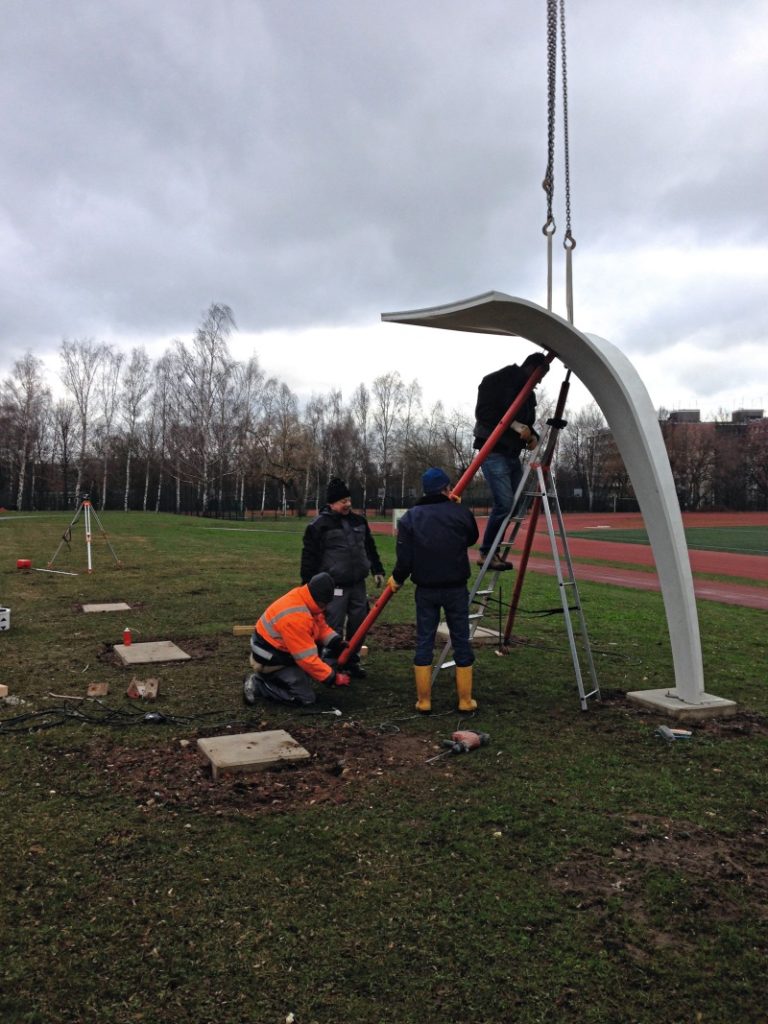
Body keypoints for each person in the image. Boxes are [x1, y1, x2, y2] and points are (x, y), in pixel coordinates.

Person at [390, 467, 480, 714]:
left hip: (426, 590)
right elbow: (472, 537)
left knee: (424, 641)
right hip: (455, 588)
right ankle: (464, 700)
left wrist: (396, 579)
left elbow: (404, 558)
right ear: (446, 489)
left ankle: (424, 701)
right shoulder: (460, 512)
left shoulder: (410, 517)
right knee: (461, 640)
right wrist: (458, 510)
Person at [300, 477, 385, 678]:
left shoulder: (359, 521)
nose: (347, 504)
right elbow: (309, 557)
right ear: (331, 503)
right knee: (332, 626)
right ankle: (329, 665)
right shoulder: (319, 525)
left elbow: (369, 547)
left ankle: (351, 660)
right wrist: (307, 585)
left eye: (348, 500)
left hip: (357, 584)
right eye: (342, 501)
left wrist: (377, 570)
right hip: (333, 587)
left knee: (359, 624)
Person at [473, 351, 550, 570]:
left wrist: (531, 435)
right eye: (539, 377)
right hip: (493, 450)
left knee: (515, 505)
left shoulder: (527, 394)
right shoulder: (497, 380)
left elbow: (525, 421)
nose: (539, 383)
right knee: (505, 503)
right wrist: (516, 426)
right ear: (531, 369)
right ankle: (487, 552)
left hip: (511, 453)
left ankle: (493, 551)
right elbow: (486, 413)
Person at [243, 572, 351, 707]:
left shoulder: (305, 598)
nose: (326, 608)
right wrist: (333, 678)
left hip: (279, 653)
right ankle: (259, 683)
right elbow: (306, 659)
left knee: (311, 673)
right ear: (320, 600)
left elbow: (320, 626)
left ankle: (279, 679)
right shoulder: (297, 617)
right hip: (270, 660)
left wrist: (336, 642)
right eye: (325, 604)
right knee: (306, 698)